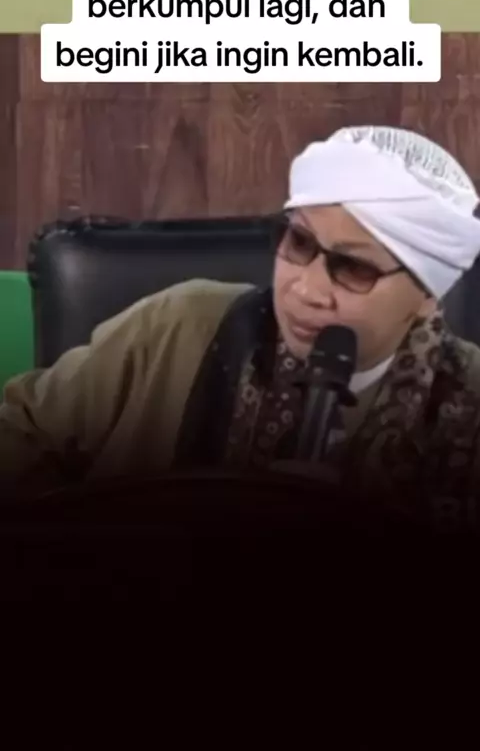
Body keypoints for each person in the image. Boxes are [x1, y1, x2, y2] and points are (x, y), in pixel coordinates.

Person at [2, 124, 480, 527]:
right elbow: (21, 434)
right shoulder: (177, 326)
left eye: (354, 269)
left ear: (426, 296)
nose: (306, 289)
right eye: (299, 242)